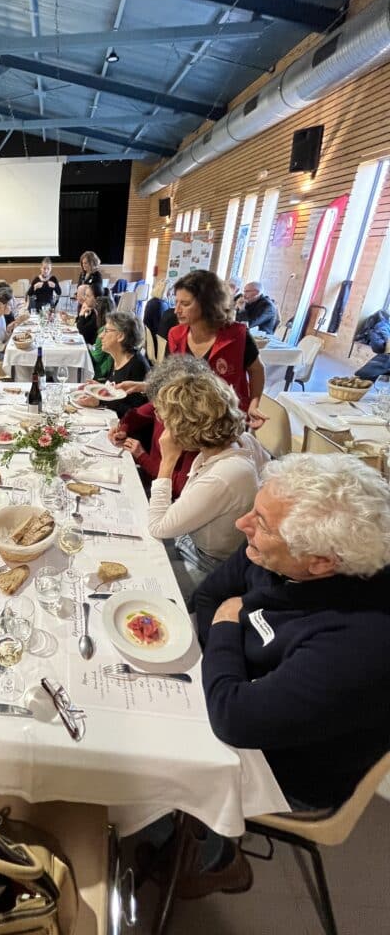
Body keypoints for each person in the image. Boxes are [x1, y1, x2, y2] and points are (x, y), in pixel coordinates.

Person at [177, 454, 390, 897]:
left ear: (320, 564)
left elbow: (235, 719)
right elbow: (209, 597)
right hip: (251, 699)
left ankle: (216, 857)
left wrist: (225, 632)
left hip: (292, 771)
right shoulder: (274, 546)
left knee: (143, 747)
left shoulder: (360, 640)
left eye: (262, 523)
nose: (242, 525)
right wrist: (228, 649)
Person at [146, 372, 268, 580]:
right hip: (193, 542)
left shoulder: (225, 474)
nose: (164, 428)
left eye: (166, 420)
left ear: (185, 425)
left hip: (205, 563)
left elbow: (158, 527)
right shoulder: (243, 440)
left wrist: (167, 462)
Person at [168, 269, 266, 428]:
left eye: (185, 304)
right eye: (176, 302)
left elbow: (257, 370)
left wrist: (254, 404)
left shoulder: (237, 335)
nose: (176, 310)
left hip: (227, 420)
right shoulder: (175, 334)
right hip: (189, 418)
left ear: (208, 304)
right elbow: (173, 376)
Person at [109, 355, 211, 497]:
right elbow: (135, 416)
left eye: (160, 407)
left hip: (164, 496)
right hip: (150, 478)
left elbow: (177, 488)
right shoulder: (167, 405)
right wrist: (122, 431)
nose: (155, 410)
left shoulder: (195, 434)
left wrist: (142, 456)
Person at [75, 311, 150, 417]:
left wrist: (100, 401)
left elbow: (138, 413)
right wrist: (100, 388)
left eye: (106, 331)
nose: (101, 336)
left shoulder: (137, 366)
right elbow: (115, 393)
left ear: (120, 336)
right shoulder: (116, 358)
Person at [89, 296, 114, 380]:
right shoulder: (112, 327)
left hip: (99, 372)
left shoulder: (103, 330)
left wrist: (89, 349)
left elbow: (96, 358)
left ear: (97, 313)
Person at [143, 278, 169, 346]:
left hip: (150, 337)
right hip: (155, 340)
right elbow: (158, 327)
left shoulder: (153, 302)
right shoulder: (160, 304)